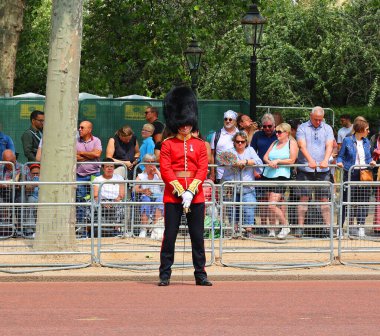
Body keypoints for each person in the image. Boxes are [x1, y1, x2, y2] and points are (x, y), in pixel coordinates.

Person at [158, 85, 211, 287]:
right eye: (181, 123)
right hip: (173, 196)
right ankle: (165, 274)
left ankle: (201, 274)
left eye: (187, 123)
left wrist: (191, 190)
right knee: (169, 237)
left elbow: (202, 169)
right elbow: (166, 170)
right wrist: (181, 191)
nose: (185, 126)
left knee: (198, 237)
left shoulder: (199, 145)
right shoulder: (168, 144)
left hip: (195, 196)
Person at [295, 106, 334, 236]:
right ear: (311, 116)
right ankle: (300, 227)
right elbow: (301, 145)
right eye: (316, 119)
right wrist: (310, 160)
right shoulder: (302, 128)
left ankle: (328, 228)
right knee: (303, 198)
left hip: (323, 170)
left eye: (320, 119)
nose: (318, 122)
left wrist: (325, 160)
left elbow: (329, 145)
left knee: (324, 199)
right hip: (305, 169)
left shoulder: (327, 128)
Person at [336, 118, 376, 237]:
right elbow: (340, 156)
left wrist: (371, 162)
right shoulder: (347, 140)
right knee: (345, 201)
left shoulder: (367, 142)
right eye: (367, 129)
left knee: (362, 201)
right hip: (350, 173)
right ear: (361, 129)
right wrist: (340, 163)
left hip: (364, 174)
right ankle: (340, 228)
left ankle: (361, 226)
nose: (368, 131)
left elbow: (368, 158)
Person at [220, 131, 262, 237]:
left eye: (242, 142)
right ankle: (234, 231)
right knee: (232, 209)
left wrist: (247, 161)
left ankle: (248, 231)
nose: (239, 144)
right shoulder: (229, 151)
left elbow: (259, 162)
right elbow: (220, 159)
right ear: (234, 142)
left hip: (247, 186)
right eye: (237, 141)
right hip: (232, 186)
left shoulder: (250, 150)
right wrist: (234, 163)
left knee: (249, 207)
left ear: (246, 142)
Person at [262, 123, 299, 239]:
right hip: (268, 175)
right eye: (276, 132)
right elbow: (265, 157)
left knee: (272, 205)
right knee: (271, 205)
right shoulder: (274, 143)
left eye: (279, 132)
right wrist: (270, 162)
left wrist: (278, 161)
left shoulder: (292, 143)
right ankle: (273, 228)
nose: (276, 134)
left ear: (286, 133)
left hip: (281, 176)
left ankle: (285, 225)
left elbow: (292, 160)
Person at [250, 113, 277, 231]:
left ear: (274, 126)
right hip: (260, 171)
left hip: (275, 171)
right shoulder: (257, 135)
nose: (267, 129)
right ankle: (262, 224)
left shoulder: (278, 135)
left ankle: (273, 226)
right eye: (264, 126)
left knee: (274, 200)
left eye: (269, 126)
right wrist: (254, 170)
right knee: (262, 200)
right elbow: (251, 152)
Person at [76, 121, 102, 222]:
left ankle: (94, 224)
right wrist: (90, 155)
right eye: (79, 127)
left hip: (94, 174)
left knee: (95, 199)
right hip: (80, 176)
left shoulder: (96, 140)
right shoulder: (75, 141)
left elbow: (97, 154)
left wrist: (81, 153)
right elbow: (75, 156)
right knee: (80, 200)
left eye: (82, 128)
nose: (79, 129)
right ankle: (81, 225)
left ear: (89, 130)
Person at [93, 159, 125, 236]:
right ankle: (90, 230)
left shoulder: (119, 178)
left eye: (111, 166)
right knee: (90, 205)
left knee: (121, 206)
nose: (110, 168)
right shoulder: (97, 179)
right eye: (107, 167)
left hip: (116, 200)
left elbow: (121, 194)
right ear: (103, 168)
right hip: (101, 200)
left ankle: (116, 230)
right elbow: (95, 195)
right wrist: (103, 203)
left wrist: (114, 202)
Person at [134, 154, 164, 238]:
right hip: (146, 197)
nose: (150, 164)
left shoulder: (159, 174)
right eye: (148, 162)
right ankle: (143, 229)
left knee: (160, 200)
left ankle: (155, 229)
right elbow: (135, 189)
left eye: (152, 162)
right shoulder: (141, 176)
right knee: (145, 200)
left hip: (158, 196)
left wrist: (157, 173)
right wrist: (143, 190)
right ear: (144, 164)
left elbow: (166, 185)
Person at [210, 110, 239, 183]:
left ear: (235, 121)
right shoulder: (216, 134)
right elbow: (212, 155)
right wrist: (212, 173)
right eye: (225, 119)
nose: (228, 121)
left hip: (237, 174)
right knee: (221, 194)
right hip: (220, 175)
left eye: (230, 119)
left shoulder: (240, 134)